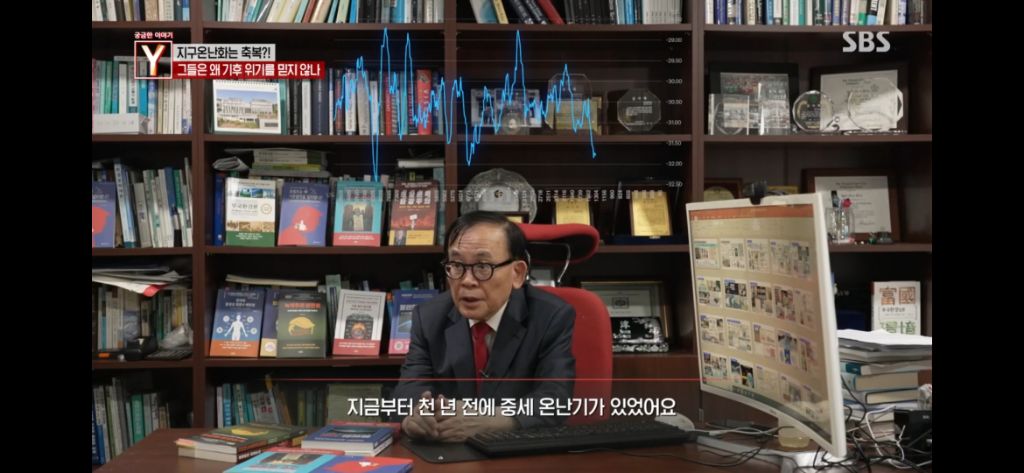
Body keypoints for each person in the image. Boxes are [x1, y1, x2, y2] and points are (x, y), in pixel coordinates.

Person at [392, 211, 575, 443]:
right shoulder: (428, 317)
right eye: (456, 265)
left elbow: (555, 399)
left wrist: (491, 421)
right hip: (447, 451)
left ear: (517, 273)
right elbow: (407, 391)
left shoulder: (550, 316)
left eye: (483, 266)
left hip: (517, 449)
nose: (467, 280)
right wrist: (415, 417)